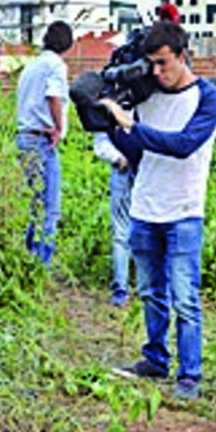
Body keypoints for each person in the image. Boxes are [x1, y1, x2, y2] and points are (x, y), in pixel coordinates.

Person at [102, 21, 216, 400]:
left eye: (163, 63)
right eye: (151, 64)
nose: (157, 72)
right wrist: (111, 120)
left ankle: (190, 372)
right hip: (145, 206)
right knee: (152, 291)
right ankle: (155, 358)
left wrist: (130, 125)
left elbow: (184, 144)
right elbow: (134, 148)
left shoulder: (210, 98)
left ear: (182, 56)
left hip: (184, 211)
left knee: (185, 296)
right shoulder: (145, 95)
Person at [15, 21, 74, 267]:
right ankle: (42, 264)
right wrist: (59, 127)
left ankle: (29, 258)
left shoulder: (32, 65)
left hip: (23, 136)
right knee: (50, 205)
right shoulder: (55, 65)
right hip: (42, 139)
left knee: (32, 203)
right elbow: (53, 96)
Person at [93, 132, 135, 307]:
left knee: (124, 230)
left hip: (138, 169)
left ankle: (124, 287)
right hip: (126, 169)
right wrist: (118, 158)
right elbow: (101, 141)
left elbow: (101, 141)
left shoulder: (111, 106)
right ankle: (121, 286)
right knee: (122, 230)